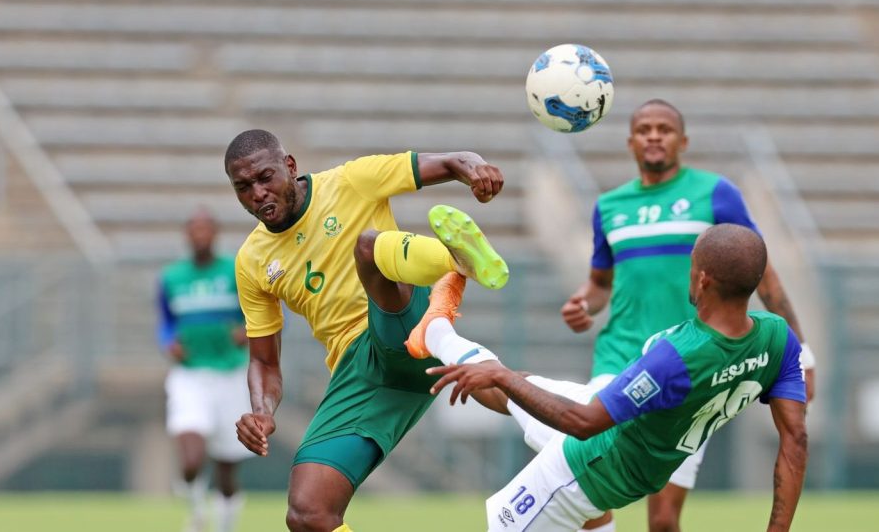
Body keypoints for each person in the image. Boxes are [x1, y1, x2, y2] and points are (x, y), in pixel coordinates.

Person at [419, 224, 809, 532]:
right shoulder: (778, 337)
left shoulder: (676, 356)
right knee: (517, 389)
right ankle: (435, 331)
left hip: (585, 467)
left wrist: (501, 377)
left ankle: (441, 336)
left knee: (508, 383)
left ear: (703, 279)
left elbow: (583, 423)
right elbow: (795, 439)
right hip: (623, 435)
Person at [225, 129, 509, 532]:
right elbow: (264, 361)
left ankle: (455, 260)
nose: (257, 193)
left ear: (290, 167)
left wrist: (476, 169)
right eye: (243, 187)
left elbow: (450, 161)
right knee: (307, 511)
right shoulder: (251, 262)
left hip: (402, 320)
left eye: (265, 177)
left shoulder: (350, 181)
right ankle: (455, 266)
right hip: (361, 374)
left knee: (368, 248)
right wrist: (261, 411)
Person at [557, 99, 817, 531]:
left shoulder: (715, 194)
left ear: (683, 140)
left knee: (662, 520)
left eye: (664, 128)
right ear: (630, 142)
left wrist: (802, 351)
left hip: (688, 370)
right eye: (644, 129)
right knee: (586, 493)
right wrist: (584, 302)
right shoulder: (609, 207)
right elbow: (600, 283)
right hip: (619, 359)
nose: (654, 136)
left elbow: (762, 271)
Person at [158, 207, 253, 532]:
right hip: (190, 375)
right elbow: (166, 323)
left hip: (230, 374)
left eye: (205, 229)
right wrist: (169, 341)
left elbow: (255, 312)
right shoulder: (172, 277)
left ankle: (226, 526)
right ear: (187, 236)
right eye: (194, 230)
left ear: (215, 234)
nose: (200, 236)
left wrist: (247, 330)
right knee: (191, 458)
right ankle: (196, 513)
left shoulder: (234, 272)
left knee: (226, 467)